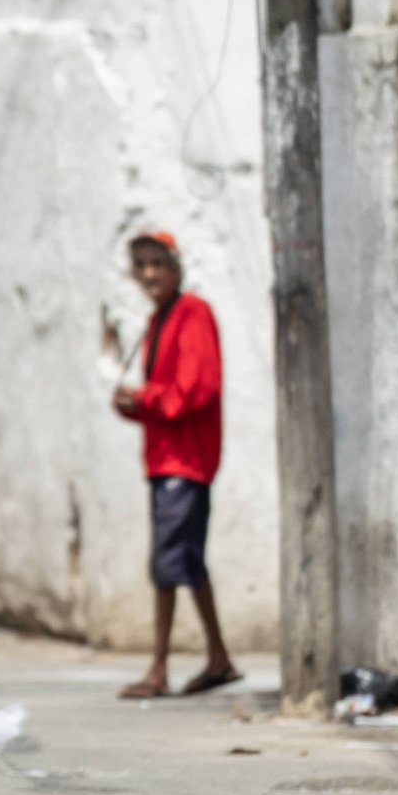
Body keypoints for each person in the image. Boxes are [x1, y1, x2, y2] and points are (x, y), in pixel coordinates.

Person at [111, 230, 238, 699]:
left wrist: (144, 398)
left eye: (156, 264)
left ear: (175, 265)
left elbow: (196, 388)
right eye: (140, 265)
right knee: (185, 560)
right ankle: (218, 658)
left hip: (187, 460)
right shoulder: (157, 320)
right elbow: (166, 395)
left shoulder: (192, 313)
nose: (148, 274)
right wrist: (133, 404)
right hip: (166, 458)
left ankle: (159, 670)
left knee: (167, 564)